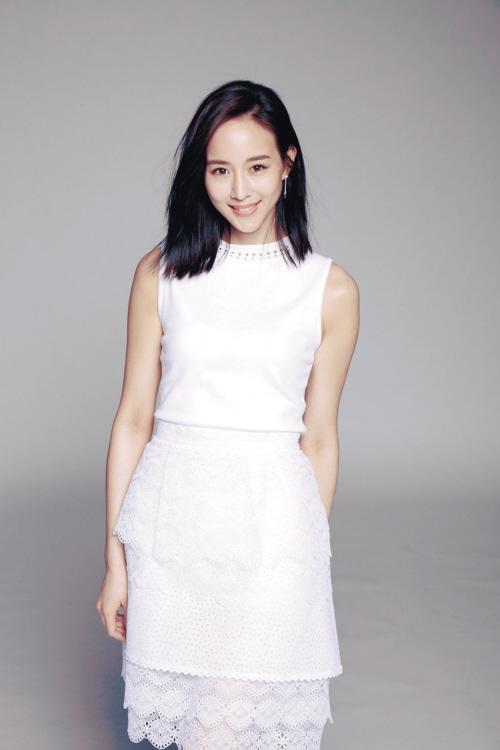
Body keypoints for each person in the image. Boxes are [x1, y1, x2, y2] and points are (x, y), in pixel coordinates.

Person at [96, 79, 359, 750]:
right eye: (219, 170)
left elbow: (320, 438)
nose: (240, 190)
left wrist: (303, 554)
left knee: (230, 721)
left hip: (273, 527)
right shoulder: (160, 274)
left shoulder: (329, 289)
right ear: (200, 174)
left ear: (288, 164)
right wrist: (115, 560)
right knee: (200, 729)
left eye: (257, 167)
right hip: (173, 525)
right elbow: (133, 419)